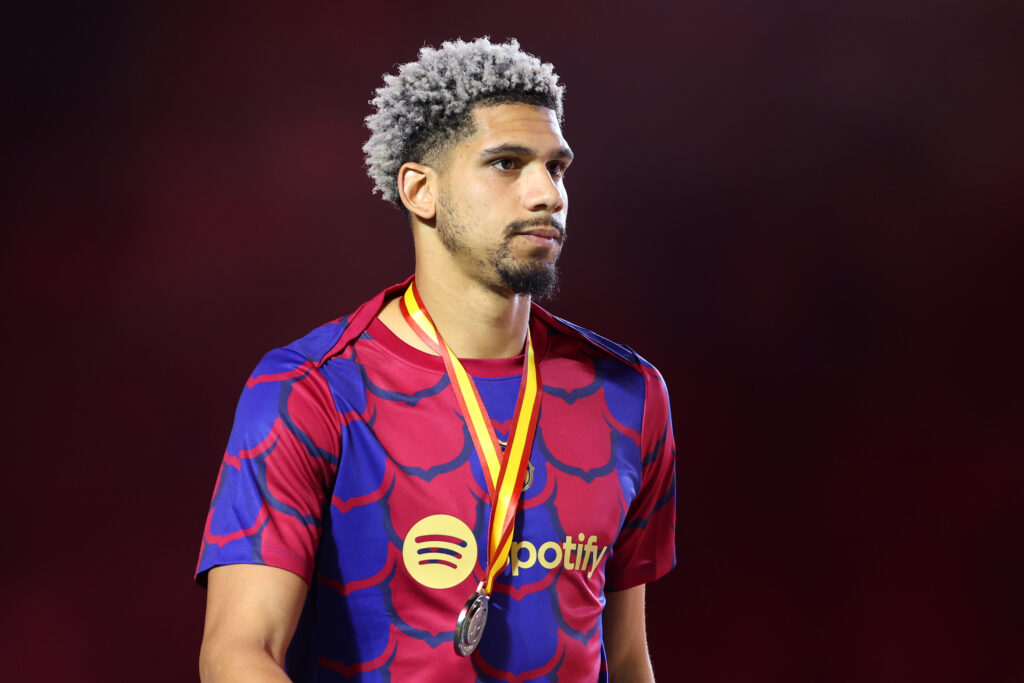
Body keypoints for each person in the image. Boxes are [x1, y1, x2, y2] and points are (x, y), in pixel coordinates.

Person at [196, 37, 676, 682]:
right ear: (421, 190)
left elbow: (625, 658)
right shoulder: (312, 389)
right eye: (507, 164)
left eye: (556, 168)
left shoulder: (629, 392)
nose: (547, 194)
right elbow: (238, 654)